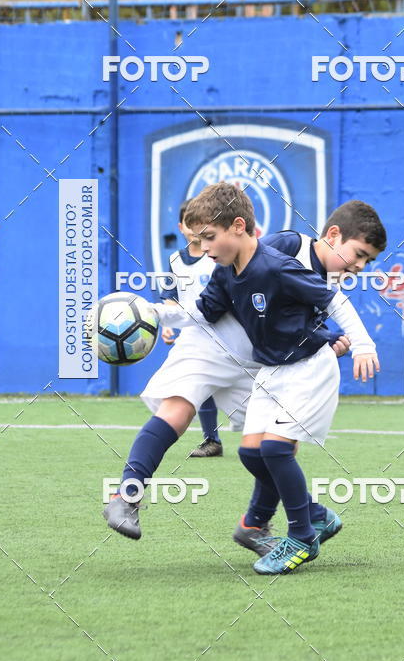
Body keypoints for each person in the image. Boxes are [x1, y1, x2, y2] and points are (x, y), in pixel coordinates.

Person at [103, 195, 387, 559]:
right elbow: (237, 282)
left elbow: (293, 318)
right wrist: (160, 313)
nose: (360, 265)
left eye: (367, 260)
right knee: (178, 409)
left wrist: (330, 340)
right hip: (211, 342)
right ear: (332, 234)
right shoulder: (286, 247)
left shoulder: (323, 279)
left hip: (256, 363)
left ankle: (258, 523)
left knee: (270, 446)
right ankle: (127, 495)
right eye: (359, 255)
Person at [160, 200, 223, 458]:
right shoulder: (175, 260)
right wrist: (168, 325)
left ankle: (269, 433)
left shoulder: (217, 256)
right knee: (198, 382)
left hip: (222, 328)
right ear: (181, 227)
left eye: (202, 224)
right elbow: (170, 296)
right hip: (192, 333)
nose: (195, 229)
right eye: (190, 223)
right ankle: (212, 440)